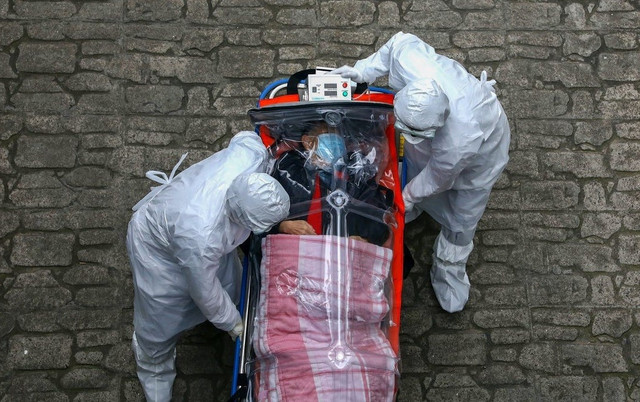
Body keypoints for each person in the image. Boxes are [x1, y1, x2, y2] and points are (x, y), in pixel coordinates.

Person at [332, 31, 511, 312]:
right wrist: (362, 70)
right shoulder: (411, 60)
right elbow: (395, 44)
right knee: (414, 165)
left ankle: (449, 268)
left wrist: (405, 197)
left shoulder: (460, 140)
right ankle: (415, 210)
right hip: (439, 142)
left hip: (483, 155)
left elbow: (437, 179)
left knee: (463, 216)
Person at [126, 131, 290, 402]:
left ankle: (234, 314)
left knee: (229, 280)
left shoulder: (249, 158)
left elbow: (246, 138)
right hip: (157, 249)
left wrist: (275, 150)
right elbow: (204, 290)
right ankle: (153, 363)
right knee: (161, 315)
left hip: (193, 227)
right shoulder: (200, 237)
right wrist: (233, 323)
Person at [269, 121, 393, 247]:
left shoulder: (357, 174)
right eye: (328, 133)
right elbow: (262, 216)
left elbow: (380, 223)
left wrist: (365, 239)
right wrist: (283, 226)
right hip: (296, 253)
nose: (336, 140)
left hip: (344, 255)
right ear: (308, 142)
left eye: (339, 135)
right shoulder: (288, 170)